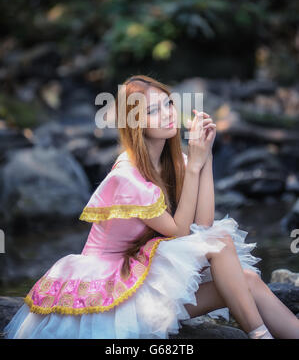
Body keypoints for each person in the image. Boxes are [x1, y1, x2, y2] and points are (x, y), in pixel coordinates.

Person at [4, 75, 299, 339]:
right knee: (222, 246)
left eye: (168, 104)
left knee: (248, 279)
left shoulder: (175, 162)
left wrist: (204, 159)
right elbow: (182, 234)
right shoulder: (126, 176)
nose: (167, 114)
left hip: (143, 273)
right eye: (152, 111)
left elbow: (203, 227)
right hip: (113, 289)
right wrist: (195, 166)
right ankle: (260, 336)